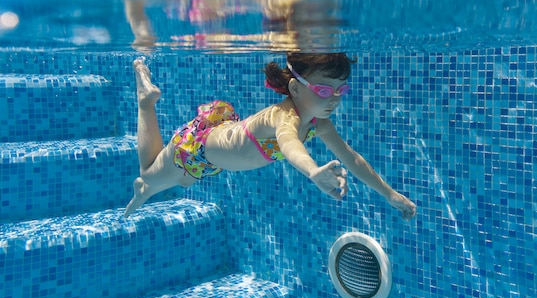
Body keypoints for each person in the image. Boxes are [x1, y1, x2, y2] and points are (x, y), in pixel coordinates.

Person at [124, 53, 417, 220]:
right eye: (325, 90)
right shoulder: (284, 117)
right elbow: (290, 145)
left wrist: (389, 193)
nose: (334, 99)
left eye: (340, 90)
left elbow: (352, 159)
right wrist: (313, 170)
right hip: (194, 150)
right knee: (147, 177)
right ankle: (145, 100)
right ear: (296, 89)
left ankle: (146, 104)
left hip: (213, 155)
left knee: (172, 176)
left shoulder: (319, 124)